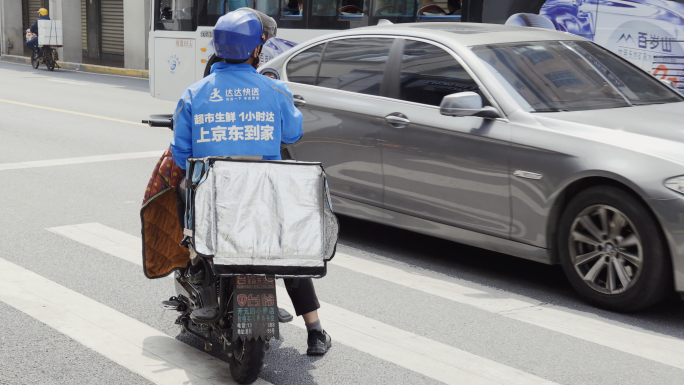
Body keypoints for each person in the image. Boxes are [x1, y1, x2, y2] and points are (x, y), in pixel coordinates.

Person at [170, 8, 332, 356]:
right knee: (289, 252)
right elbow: (293, 132)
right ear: (256, 50)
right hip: (265, 194)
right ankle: (315, 330)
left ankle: (196, 258)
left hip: (215, 200)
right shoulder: (273, 89)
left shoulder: (194, 94)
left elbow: (182, 155)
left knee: (184, 187)